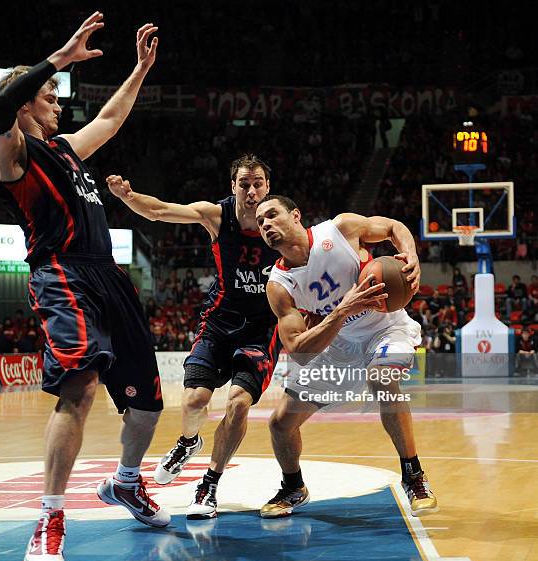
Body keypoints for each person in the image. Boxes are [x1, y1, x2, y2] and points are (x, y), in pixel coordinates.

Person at [0, 13, 168, 561]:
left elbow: (111, 119)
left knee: (147, 405)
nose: (58, 102)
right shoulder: (13, 154)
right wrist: (59, 58)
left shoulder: (65, 149)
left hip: (108, 276)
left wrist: (139, 70)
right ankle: (49, 516)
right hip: (61, 273)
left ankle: (127, 482)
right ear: (23, 105)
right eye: (48, 95)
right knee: (80, 386)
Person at [106, 153, 281, 519]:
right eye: (244, 184)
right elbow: (160, 211)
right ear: (232, 187)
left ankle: (210, 484)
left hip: (262, 328)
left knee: (237, 403)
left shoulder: (282, 223)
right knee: (193, 401)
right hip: (218, 321)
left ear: (268, 187)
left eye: (258, 184)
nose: (251, 191)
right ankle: (189, 441)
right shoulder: (217, 215)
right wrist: (128, 197)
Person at [254, 195, 438, 518]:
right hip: (339, 346)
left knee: (381, 377)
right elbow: (299, 351)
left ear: (295, 215)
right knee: (280, 424)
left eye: (271, 214)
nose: (266, 224)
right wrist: (343, 310)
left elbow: (393, 227)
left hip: (386, 329)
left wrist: (411, 256)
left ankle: (413, 476)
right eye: (259, 222)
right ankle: (293, 486)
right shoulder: (278, 285)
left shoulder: (339, 229)